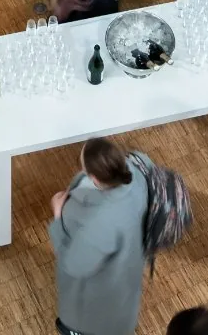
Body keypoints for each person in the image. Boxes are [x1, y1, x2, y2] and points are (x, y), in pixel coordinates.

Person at [49, 138, 149, 335]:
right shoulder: (138, 168)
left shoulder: (100, 221)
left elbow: (74, 264)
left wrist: (57, 216)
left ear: (94, 178)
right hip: (131, 262)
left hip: (103, 284)